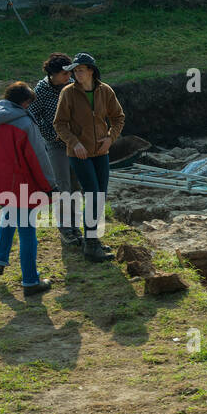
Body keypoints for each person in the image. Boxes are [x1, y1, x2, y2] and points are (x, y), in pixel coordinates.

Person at [0, 81, 57, 295]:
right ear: (24, 102)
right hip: (21, 183)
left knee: (9, 214)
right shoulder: (25, 123)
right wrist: (49, 185)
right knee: (27, 231)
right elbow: (38, 157)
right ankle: (30, 281)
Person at [53, 52, 124, 263]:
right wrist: (74, 143)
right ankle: (91, 245)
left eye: (80, 70)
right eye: (74, 71)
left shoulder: (105, 91)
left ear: (91, 71)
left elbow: (118, 118)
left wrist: (110, 138)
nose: (77, 74)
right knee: (92, 193)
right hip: (79, 154)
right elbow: (60, 124)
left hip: (101, 152)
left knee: (100, 195)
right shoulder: (68, 93)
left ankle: (92, 239)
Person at [30, 52, 82, 247]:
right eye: (64, 74)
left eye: (69, 74)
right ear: (53, 74)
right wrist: (51, 135)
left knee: (76, 186)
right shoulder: (41, 90)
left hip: (75, 142)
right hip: (55, 145)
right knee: (63, 187)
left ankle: (75, 226)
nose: (68, 78)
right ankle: (65, 229)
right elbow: (33, 115)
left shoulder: (71, 86)